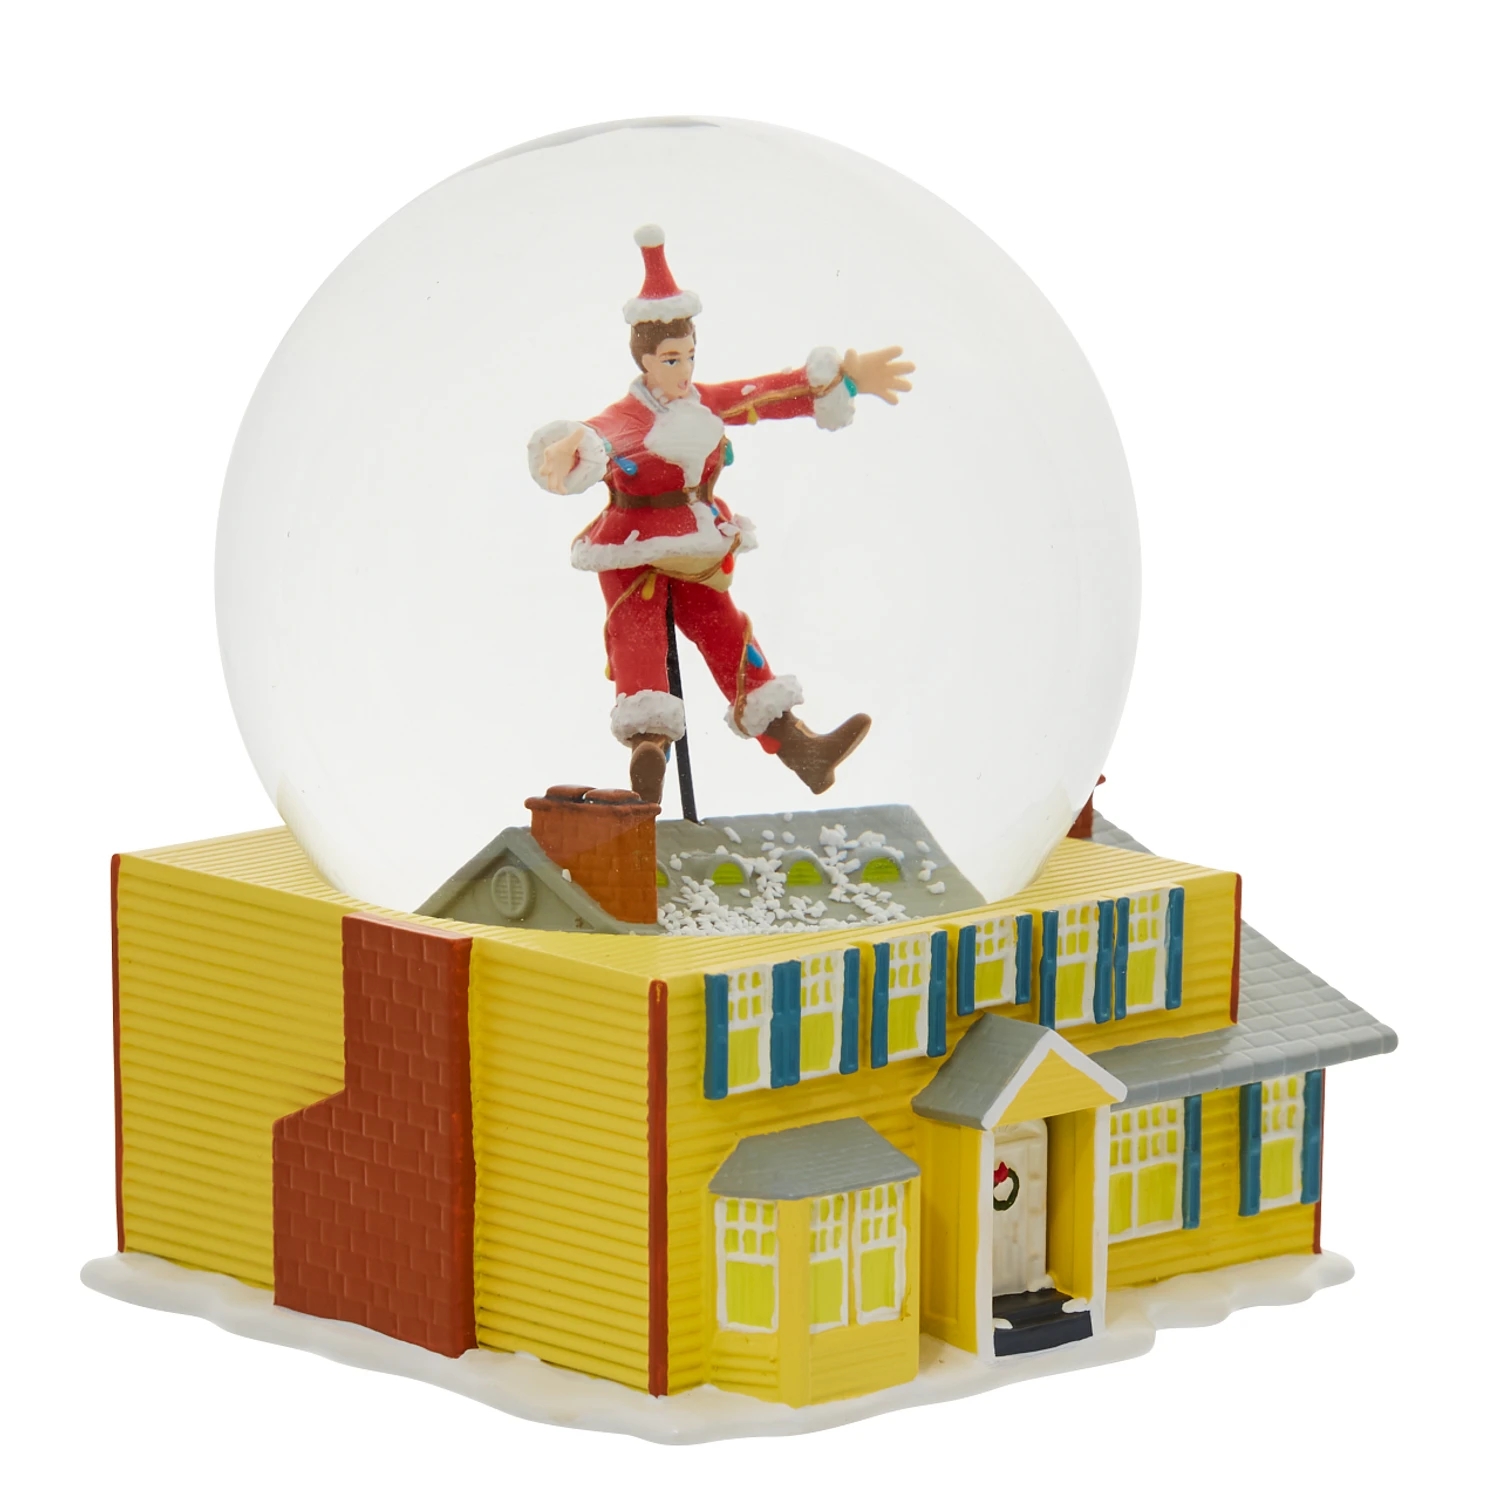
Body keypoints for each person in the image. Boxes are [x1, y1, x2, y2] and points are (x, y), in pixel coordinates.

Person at [526, 225, 913, 805]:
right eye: (670, 359)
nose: (682, 370)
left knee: (726, 629)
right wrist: (570, 446)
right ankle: (649, 748)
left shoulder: (702, 403)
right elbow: (601, 437)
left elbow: (764, 395)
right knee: (637, 631)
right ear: (644, 360)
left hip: (696, 545)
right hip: (632, 543)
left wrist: (845, 379)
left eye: (688, 356)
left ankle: (799, 748)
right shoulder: (629, 415)